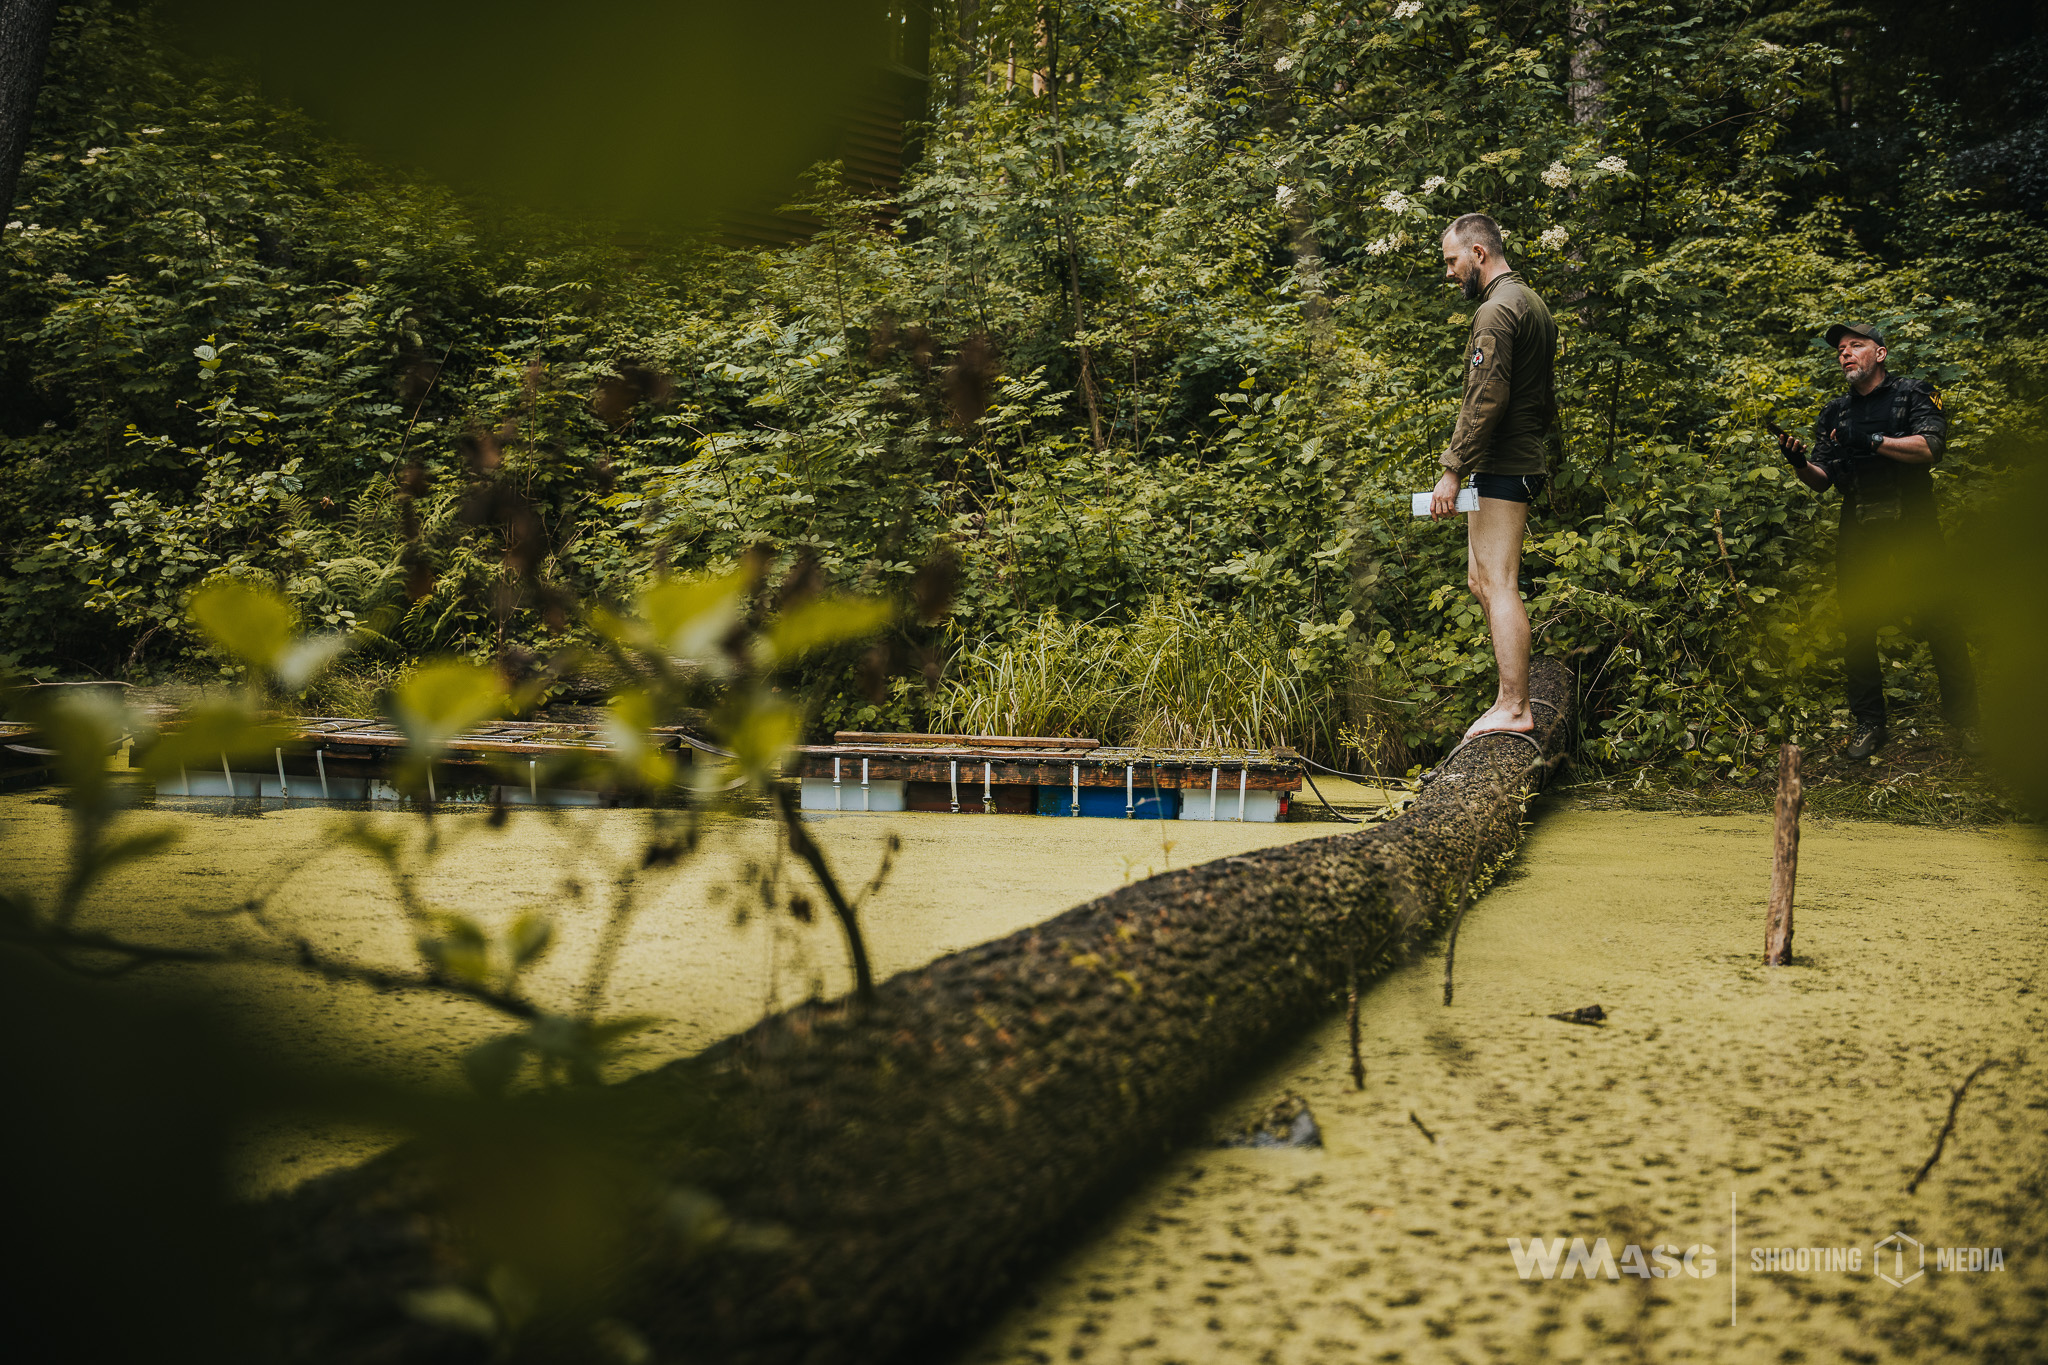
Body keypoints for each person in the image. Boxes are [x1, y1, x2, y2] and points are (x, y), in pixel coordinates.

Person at [1776, 322, 1978, 760]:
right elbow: (1822, 481)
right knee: (1858, 624)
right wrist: (1798, 463)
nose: (1846, 354)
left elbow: (1929, 448)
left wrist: (1870, 439)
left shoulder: (1913, 393)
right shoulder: (1835, 412)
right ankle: (1869, 723)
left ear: (1880, 353)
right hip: (1860, 522)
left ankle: (1966, 724)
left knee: (1940, 618)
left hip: (1913, 520)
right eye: (1841, 350)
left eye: (1856, 346)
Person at [1430, 213, 1559, 737]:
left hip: (1503, 462)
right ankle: (1510, 698)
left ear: (1479, 254)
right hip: (1510, 458)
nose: (1449, 272)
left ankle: (1515, 706)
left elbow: (1486, 398)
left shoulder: (1496, 311)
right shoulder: (1531, 303)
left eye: (1452, 261)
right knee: (1480, 580)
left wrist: (1452, 469)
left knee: (1499, 583)